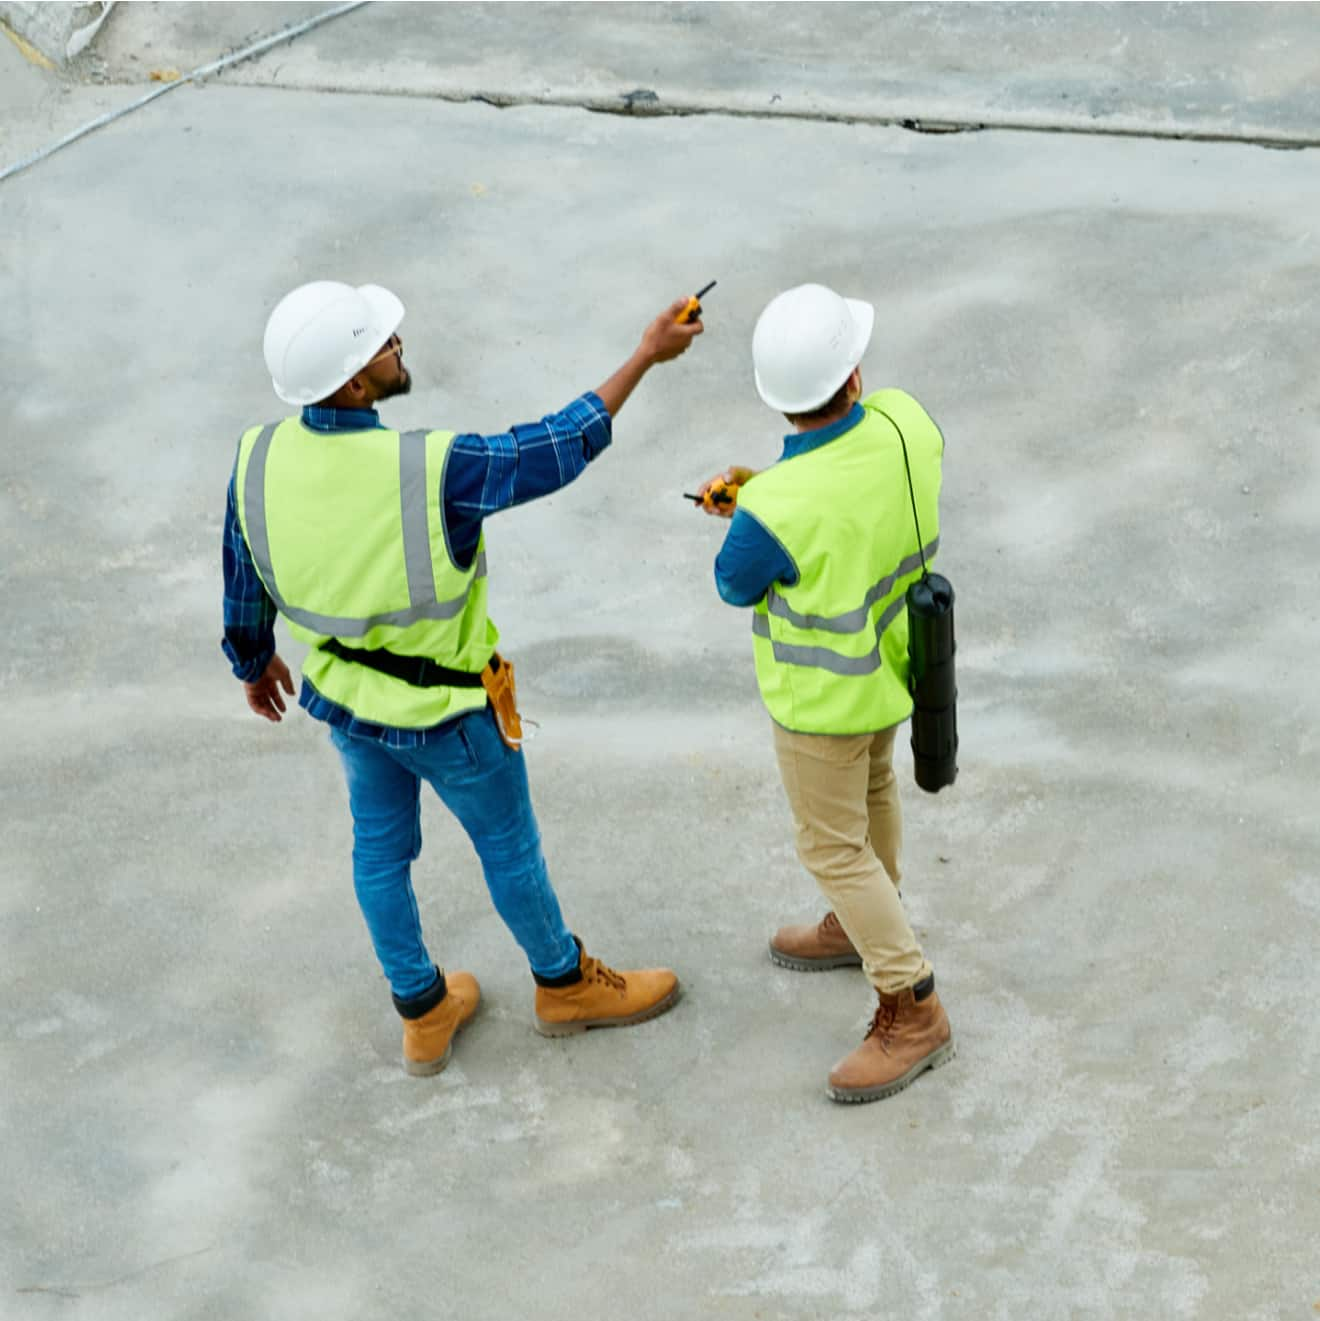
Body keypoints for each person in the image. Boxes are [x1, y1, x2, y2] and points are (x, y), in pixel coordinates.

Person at [222, 280, 702, 1076]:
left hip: (346, 701)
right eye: (381, 343)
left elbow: (241, 575)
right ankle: (563, 986)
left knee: (378, 854)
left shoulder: (256, 456)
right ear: (352, 384)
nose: (398, 342)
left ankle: (423, 1011)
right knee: (510, 849)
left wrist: (251, 659)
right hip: (449, 712)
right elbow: (554, 448)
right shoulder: (429, 468)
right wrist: (646, 354)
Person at [694, 282, 954, 1104]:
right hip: (897, 666)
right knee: (873, 791)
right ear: (855, 374)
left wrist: (755, 503)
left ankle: (911, 1006)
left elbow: (735, 582)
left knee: (830, 845)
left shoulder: (772, 505)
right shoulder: (906, 422)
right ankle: (864, 925)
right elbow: (854, 484)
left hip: (821, 703)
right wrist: (770, 490)